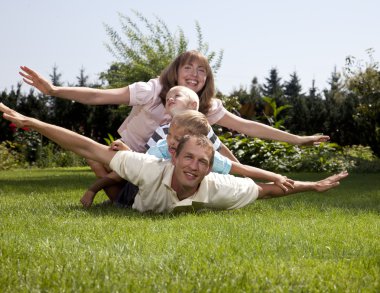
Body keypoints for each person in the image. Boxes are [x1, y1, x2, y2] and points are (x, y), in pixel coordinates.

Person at [18, 51, 329, 175]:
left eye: (202, 71)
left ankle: (238, 180)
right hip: (129, 151)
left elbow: (247, 126)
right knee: (97, 158)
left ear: (207, 79)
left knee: (209, 136)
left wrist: (297, 140)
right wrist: (55, 90)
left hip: (168, 157)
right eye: (188, 67)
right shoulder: (151, 90)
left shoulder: (206, 107)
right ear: (176, 71)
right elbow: (102, 95)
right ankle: (120, 189)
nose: (194, 74)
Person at [0, 103, 348, 214]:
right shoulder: (151, 165)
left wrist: (312, 185)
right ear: (173, 154)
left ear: (210, 168)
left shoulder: (215, 186)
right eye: (189, 157)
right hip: (131, 197)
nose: (194, 166)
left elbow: (266, 190)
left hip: (151, 197)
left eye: (202, 162)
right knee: (106, 166)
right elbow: (88, 146)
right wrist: (33, 122)